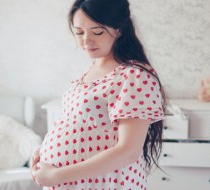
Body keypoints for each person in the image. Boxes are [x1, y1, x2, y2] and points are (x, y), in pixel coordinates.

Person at [31, 0, 166, 189]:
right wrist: (42, 153)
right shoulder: (91, 69)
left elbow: (128, 151)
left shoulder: (135, 76)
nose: (86, 40)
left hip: (105, 183)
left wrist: (57, 175)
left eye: (97, 32)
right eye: (79, 32)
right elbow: (78, 124)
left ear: (119, 29)